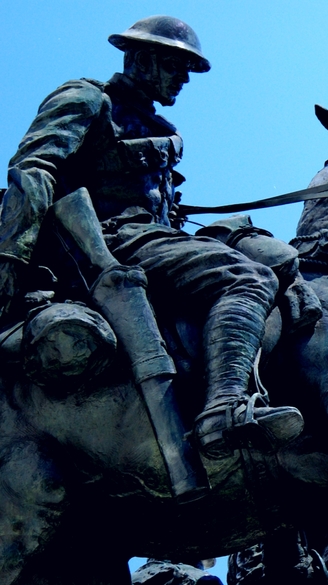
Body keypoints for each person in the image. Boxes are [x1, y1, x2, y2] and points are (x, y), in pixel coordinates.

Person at [0, 16, 301, 458]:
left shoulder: (155, 125)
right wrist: (11, 257)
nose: (182, 79)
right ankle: (225, 409)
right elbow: (34, 169)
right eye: (175, 66)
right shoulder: (88, 98)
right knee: (247, 278)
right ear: (142, 58)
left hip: (150, 238)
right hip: (105, 240)